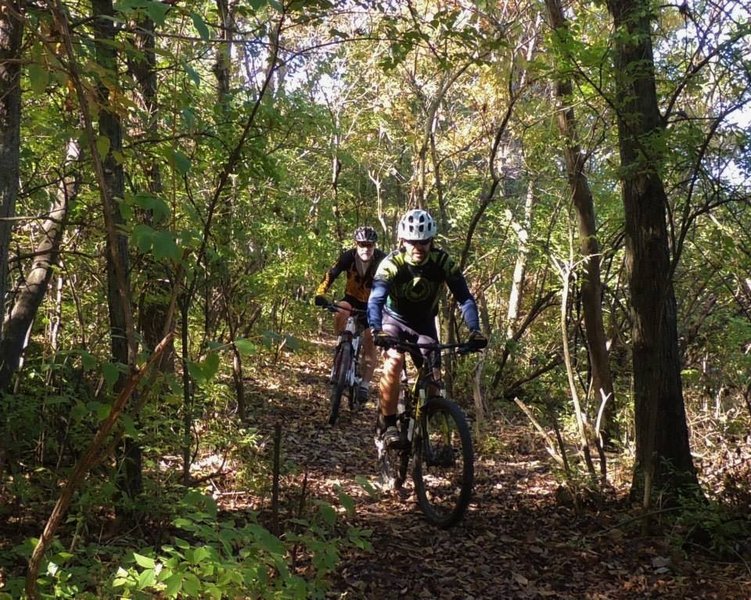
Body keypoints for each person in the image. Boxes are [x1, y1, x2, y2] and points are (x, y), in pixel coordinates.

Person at [367, 209, 488, 446]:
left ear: (432, 241)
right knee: (393, 361)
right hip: (393, 321)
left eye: (424, 241)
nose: (418, 247)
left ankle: (424, 438)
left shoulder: (442, 262)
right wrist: (375, 328)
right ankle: (388, 424)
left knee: (433, 382)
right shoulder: (391, 263)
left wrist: (474, 330)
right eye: (412, 242)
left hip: (424, 325)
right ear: (402, 240)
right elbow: (376, 299)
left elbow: (464, 298)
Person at [315, 226, 387, 405]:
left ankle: (364, 384)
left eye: (369, 245)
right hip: (352, 298)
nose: (365, 248)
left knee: (371, 339)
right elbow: (331, 274)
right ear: (356, 244)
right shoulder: (348, 256)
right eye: (362, 244)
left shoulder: (382, 260)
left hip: (373, 304)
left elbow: (392, 284)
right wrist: (320, 293)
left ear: (374, 246)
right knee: (341, 308)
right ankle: (342, 344)